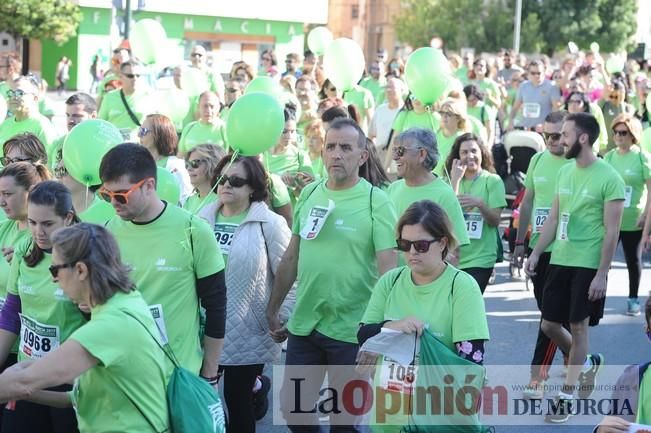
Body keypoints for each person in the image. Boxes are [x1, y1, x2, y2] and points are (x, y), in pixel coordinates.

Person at [266, 118, 397, 432]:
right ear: (322, 152)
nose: (337, 154)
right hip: (305, 325)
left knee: (343, 422)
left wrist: (382, 331)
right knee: (294, 410)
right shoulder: (310, 193)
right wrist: (273, 308)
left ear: (362, 156)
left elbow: (387, 270)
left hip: (352, 331)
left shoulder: (375, 201)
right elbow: (292, 256)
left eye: (346, 148)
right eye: (331, 147)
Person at [0, 223, 172, 433]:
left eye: (54, 269)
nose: (53, 279)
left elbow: (26, 381)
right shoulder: (126, 301)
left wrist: (22, 384)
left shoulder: (109, 326)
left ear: (81, 270)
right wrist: (24, 387)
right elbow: (78, 396)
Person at [525, 112, 626, 423]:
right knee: (549, 324)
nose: (561, 140)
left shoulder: (609, 177)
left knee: (578, 326)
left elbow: (612, 231)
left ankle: (566, 397)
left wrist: (602, 274)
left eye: (565, 134)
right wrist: (536, 253)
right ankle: (587, 362)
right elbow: (554, 219)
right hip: (560, 259)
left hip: (587, 262)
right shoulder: (566, 172)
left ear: (583, 138)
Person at [357, 200, 489, 432]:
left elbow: (471, 360)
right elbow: (363, 334)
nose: (411, 253)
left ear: (443, 243)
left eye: (420, 245)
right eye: (404, 244)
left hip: (437, 417)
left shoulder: (462, 287)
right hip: (388, 415)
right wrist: (395, 326)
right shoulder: (391, 280)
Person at [99, 143, 226, 380]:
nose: (114, 202)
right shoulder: (107, 232)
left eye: (121, 195)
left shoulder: (193, 230)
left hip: (177, 376)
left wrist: (210, 374)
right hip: (123, 374)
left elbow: (216, 307)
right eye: (106, 195)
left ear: (149, 186)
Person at [198, 155, 292, 433]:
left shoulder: (270, 223)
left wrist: (281, 317)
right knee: (205, 400)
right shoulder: (200, 219)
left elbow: (288, 273)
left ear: (253, 188)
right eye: (222, 178)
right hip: (202, 326)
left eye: (236, 181)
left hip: (246, 330)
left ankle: (257, 389)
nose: (226, 185)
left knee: (237, 400)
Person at [0, 180, 85, 432]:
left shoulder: (86, 253)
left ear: (68, 217)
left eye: (48, 224)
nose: (38, 232)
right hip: (28, 371)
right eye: (34, 222)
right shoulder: (25, 247)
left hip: (69, 377)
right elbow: (11, 314)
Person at [512, 111, 571, 399]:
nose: (552, 140)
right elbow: (527, 204)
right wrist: (519, 244)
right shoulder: (537, 160)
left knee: (550, 318)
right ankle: (582, 358)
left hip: (565, 251)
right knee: (552, 315)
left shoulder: (577, 164)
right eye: (547, 135)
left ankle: (538, 379)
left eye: (558, 135)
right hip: (537, 248)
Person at [387, 128, 469, 266]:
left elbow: (454, 253)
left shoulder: (444, 194)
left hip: (426, 284)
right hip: (395, 283)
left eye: (400, 151)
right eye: (394, 151)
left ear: (421, 154)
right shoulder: (392, 189)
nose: (395, 157)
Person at [447, 133, 506, 293]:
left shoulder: (492, 181)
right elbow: (446, 216)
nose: (470, 156)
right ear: (457, 157)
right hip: (454, 258)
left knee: (468, 300)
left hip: (481, 258)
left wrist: (480, 204)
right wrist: (455, 181)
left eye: (474, 151)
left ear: (482, 153)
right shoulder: (451, 181)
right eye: (464, 152)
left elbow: (495, 221)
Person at [603, 114, 650, 316]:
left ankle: (633, 299)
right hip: (611, 218)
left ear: (633, 135)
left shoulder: (642, 157)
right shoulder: (609, 157)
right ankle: (597, 297)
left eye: (623, 132)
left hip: (633, 218)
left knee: (633, 260)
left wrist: (646, 215)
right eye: (616, 133)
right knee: (603, 259)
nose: (619, 136)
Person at [139, 113, 192, 202]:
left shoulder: (175, 166)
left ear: (158, 134)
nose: (139, 135)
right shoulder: (141, 165)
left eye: (143, 131)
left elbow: (184, 199)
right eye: (140, 130)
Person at [265, 104, 313, 201]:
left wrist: (294, 186)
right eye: (284, 131)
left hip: (291, 213)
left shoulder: (301, 156)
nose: (289, 136)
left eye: (293, 131)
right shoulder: (260, 154)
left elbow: (310, 195)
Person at [0, 76, 59, 154]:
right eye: (11, 92)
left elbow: (49, 162)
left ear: (35, 98)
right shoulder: (5, 124)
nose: (14, 97)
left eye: (19, 93)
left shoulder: (42, 126)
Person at [98, 60, 151, 141]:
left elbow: (153, 126)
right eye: (130, 76)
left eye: (138, 75)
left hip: (138, 147)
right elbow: (100, 124)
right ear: (121, 76)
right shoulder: (109, 97)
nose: (135, 79)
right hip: (114, 146)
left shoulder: (147, 96)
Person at [508, 60, 562, 131]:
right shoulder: (523, 86)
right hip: (525, 128)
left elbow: (556, 110)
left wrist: (546, 125)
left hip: (543, 130)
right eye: (533, 73)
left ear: (544, 72)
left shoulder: (552, 86)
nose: (536, 76)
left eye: (539, 73)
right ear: (528, 73)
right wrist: (510, 121)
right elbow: (515, 108)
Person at [50, 92, 98, 167]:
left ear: (93, 116)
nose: (70, 120)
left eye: (77, 116)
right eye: (68, 115)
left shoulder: (104, 144)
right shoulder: (58, 144)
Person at [368, 76, 405, 163]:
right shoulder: (380, 110)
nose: (388, 90)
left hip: (398, 159)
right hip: (380, 156)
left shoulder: (405, 113)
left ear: (402, 91)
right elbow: (371, 135)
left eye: (392, 87)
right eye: (387, 87)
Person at [183, 144, 226, 214]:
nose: (189, 168)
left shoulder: (222, 201)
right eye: (187, 165)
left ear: (212, 164)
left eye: (194, 163)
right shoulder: (188, 201)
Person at [434, 98, 470, 178]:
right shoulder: (434, 136)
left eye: (449, 113)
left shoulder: (463, 139)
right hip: (432, 183)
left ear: (458, 118)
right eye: (442, 113)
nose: (444, 116)